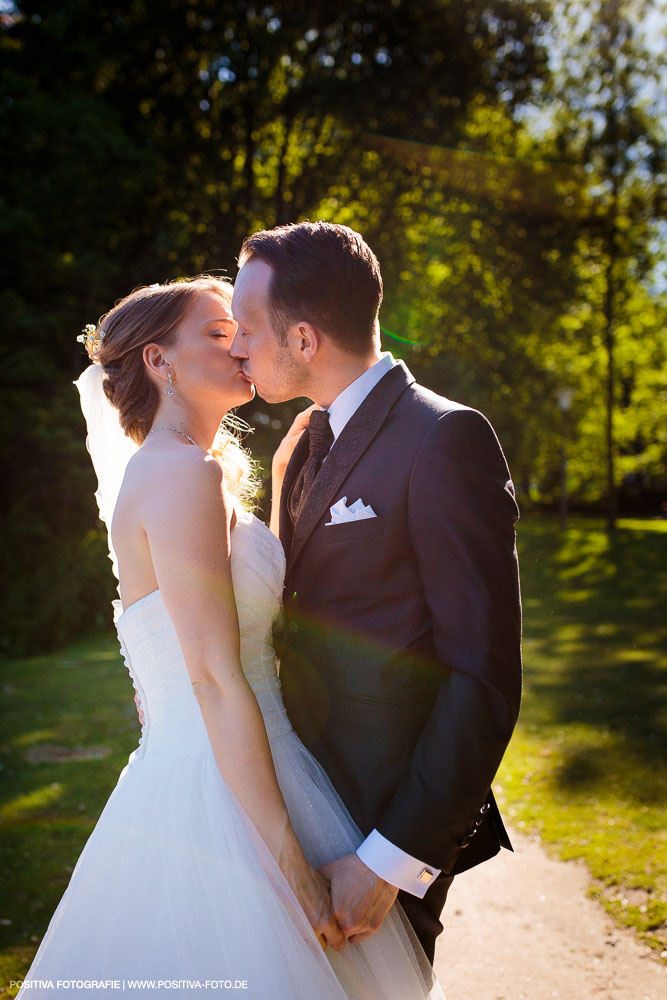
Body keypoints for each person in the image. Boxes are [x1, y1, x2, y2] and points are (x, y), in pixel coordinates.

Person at [17, 276, 444, 999]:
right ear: (159, 361)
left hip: (247, 764)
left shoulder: (191, 473)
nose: (242, 345)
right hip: (224, 795)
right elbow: (214, 678)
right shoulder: (181, 474)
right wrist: (289, 868)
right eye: (219, 334)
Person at [230, 222, 523, 963]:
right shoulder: (301, 444)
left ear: (303, 339)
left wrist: (389, 859)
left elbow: (481, 679)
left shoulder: (443, 439)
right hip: (305, 804)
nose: (236, 345)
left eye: (245, 327)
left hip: (381, 824)